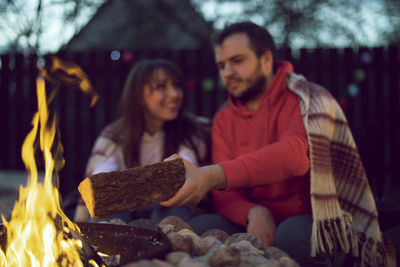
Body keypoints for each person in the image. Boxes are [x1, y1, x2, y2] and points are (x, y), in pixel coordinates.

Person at [161, 22, 395, 266]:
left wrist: (210, 175)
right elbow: (225, 196)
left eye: (237, 60)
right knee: (199, 227)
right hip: (250, 216)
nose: (227, 71)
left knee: (292, 236)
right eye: (221, 65)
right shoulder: (224, 119)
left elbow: (293, 156)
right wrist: (253, 212)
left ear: (266, 60)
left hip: (308, 215)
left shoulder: (307, 100)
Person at [74, 58, 207, 223]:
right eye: (161, 87)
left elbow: (187, 174)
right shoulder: (115, 135)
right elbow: (99, 183)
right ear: (139, 96)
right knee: (109, 215)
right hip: (125, 211)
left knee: (175, 211)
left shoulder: (189, 131)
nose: (175, 94)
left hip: (168, 208)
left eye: (177, 86)